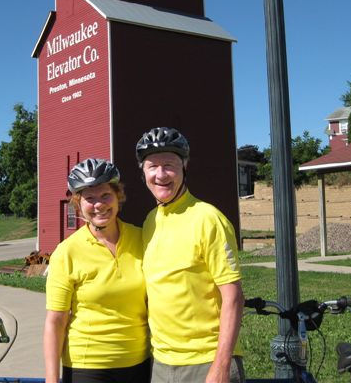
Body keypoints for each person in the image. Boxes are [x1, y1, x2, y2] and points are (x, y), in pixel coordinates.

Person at [136, 127, 245, 383]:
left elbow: (234, 297)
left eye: (169, 165)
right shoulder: (150, 221)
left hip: (206, 361)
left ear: (184, 167)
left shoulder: (208, 218)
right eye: (152, 166)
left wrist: (221, 366)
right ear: (143, 172)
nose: (160, 174)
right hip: (162, 363)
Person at [43, 158, 151, 383]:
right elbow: (56, 321)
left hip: (139, 362)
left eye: (105, 195)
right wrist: (51, 379)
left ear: (118, 196)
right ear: (78, 203)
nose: (99, 205)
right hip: (87, 367)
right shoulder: (67, 252)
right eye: (90, 199)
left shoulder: (141, 238)